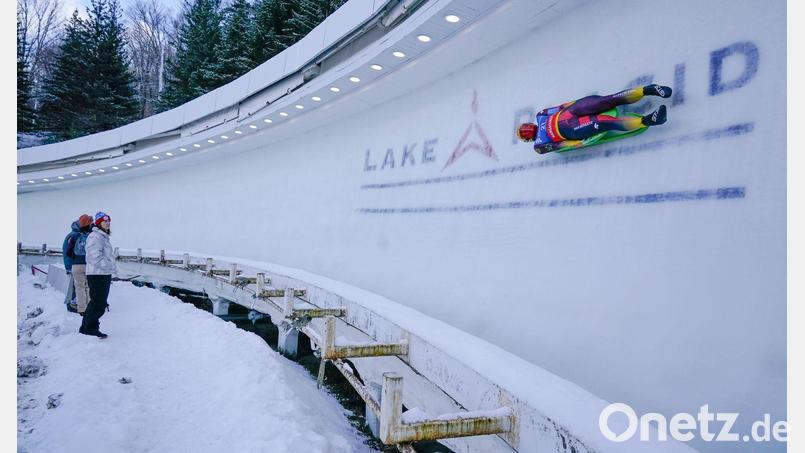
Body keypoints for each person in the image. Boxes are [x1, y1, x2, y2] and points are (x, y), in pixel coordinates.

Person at [516, 84, 672, 154]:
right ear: (528, 139)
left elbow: (562, 106)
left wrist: (578, 102)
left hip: (572, 111)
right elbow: (560, 145)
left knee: (607, 100)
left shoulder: (541, 115)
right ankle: (649, 120)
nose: (527, 130)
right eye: (525, 133)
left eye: (524, 128)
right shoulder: (539, 146)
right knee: (604, 121)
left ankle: (649, 89)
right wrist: (579, 143)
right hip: (572, 129)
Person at [81, 212, 115, 339]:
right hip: (98, 274)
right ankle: (89, 329)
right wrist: (109, 266)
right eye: (105, 221)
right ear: (98, 223)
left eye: (109, 221)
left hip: (101, 274)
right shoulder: (95, 237)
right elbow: (94, 257)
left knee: (97, 303)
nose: (108, 223)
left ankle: (87, 328)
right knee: (98, 304)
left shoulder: (102, 236)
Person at [64, 214, 93, 315]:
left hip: (77, 265)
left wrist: (71, 262)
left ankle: (81, 309)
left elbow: (68, 252)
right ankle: (90, 307)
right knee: (88, 287)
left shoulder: (74, 236)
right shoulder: (92, 236)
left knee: (79, 287)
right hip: (89, 265)